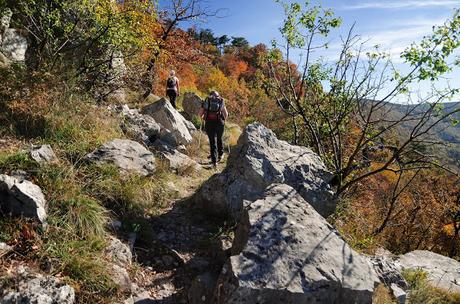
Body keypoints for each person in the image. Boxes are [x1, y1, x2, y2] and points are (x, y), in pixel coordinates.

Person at [199, 90, 228, 168]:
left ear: (210, 95)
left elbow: (200, 114)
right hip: (219, 122)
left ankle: (214, 162)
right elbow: (226, 114)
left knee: (212, 142)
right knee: (219, 138)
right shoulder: (221, 101)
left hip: (209, 123)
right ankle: (220, 155)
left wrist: (203, 117)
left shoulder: (206, 101)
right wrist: (223, 120)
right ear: (218, 95)